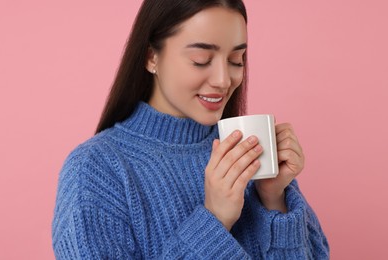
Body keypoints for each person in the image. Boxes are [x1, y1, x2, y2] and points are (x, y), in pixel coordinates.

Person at [52, 0, 329, 259]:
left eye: (236, 60)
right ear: (151, 57)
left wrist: (274, 199)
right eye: (201, 60)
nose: (223, 80)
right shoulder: (95, 170)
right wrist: (215, 218)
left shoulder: (248, 153)